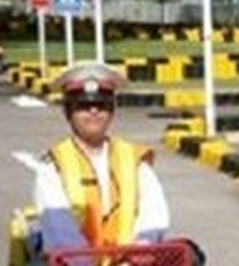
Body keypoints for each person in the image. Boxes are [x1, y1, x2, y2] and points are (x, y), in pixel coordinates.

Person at [32, 62, 170, 253]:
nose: (94, 111)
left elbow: (154, 214)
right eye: (84, 105)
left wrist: (139, 253)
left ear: (112, 111)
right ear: (67, 112)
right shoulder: (54, 166)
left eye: (101, 105)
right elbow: (58, 228)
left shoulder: (134, 159)